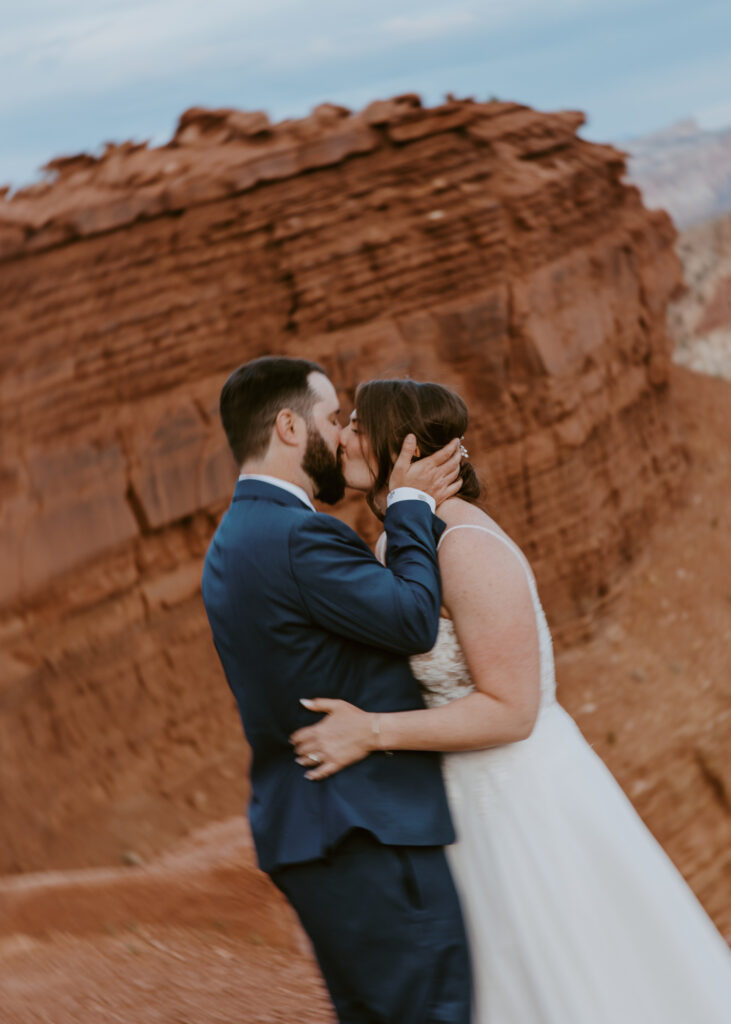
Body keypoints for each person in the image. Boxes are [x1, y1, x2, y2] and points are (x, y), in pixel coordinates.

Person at [291, 378, 731, 1024]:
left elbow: (512, 710)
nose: (346, 438)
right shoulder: (400, 541)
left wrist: (370, 732)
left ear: (403, 445)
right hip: (459, 798)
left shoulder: (463, 546)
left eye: (360, 426)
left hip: (517, 799)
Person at [201, 357, 473, 1024]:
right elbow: (412, 619)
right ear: (290, 427)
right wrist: (410, 504)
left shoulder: (232, 542)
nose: (343, 435)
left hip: (315, 837)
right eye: (331, 419)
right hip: (367, 832)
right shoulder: (296, 536)